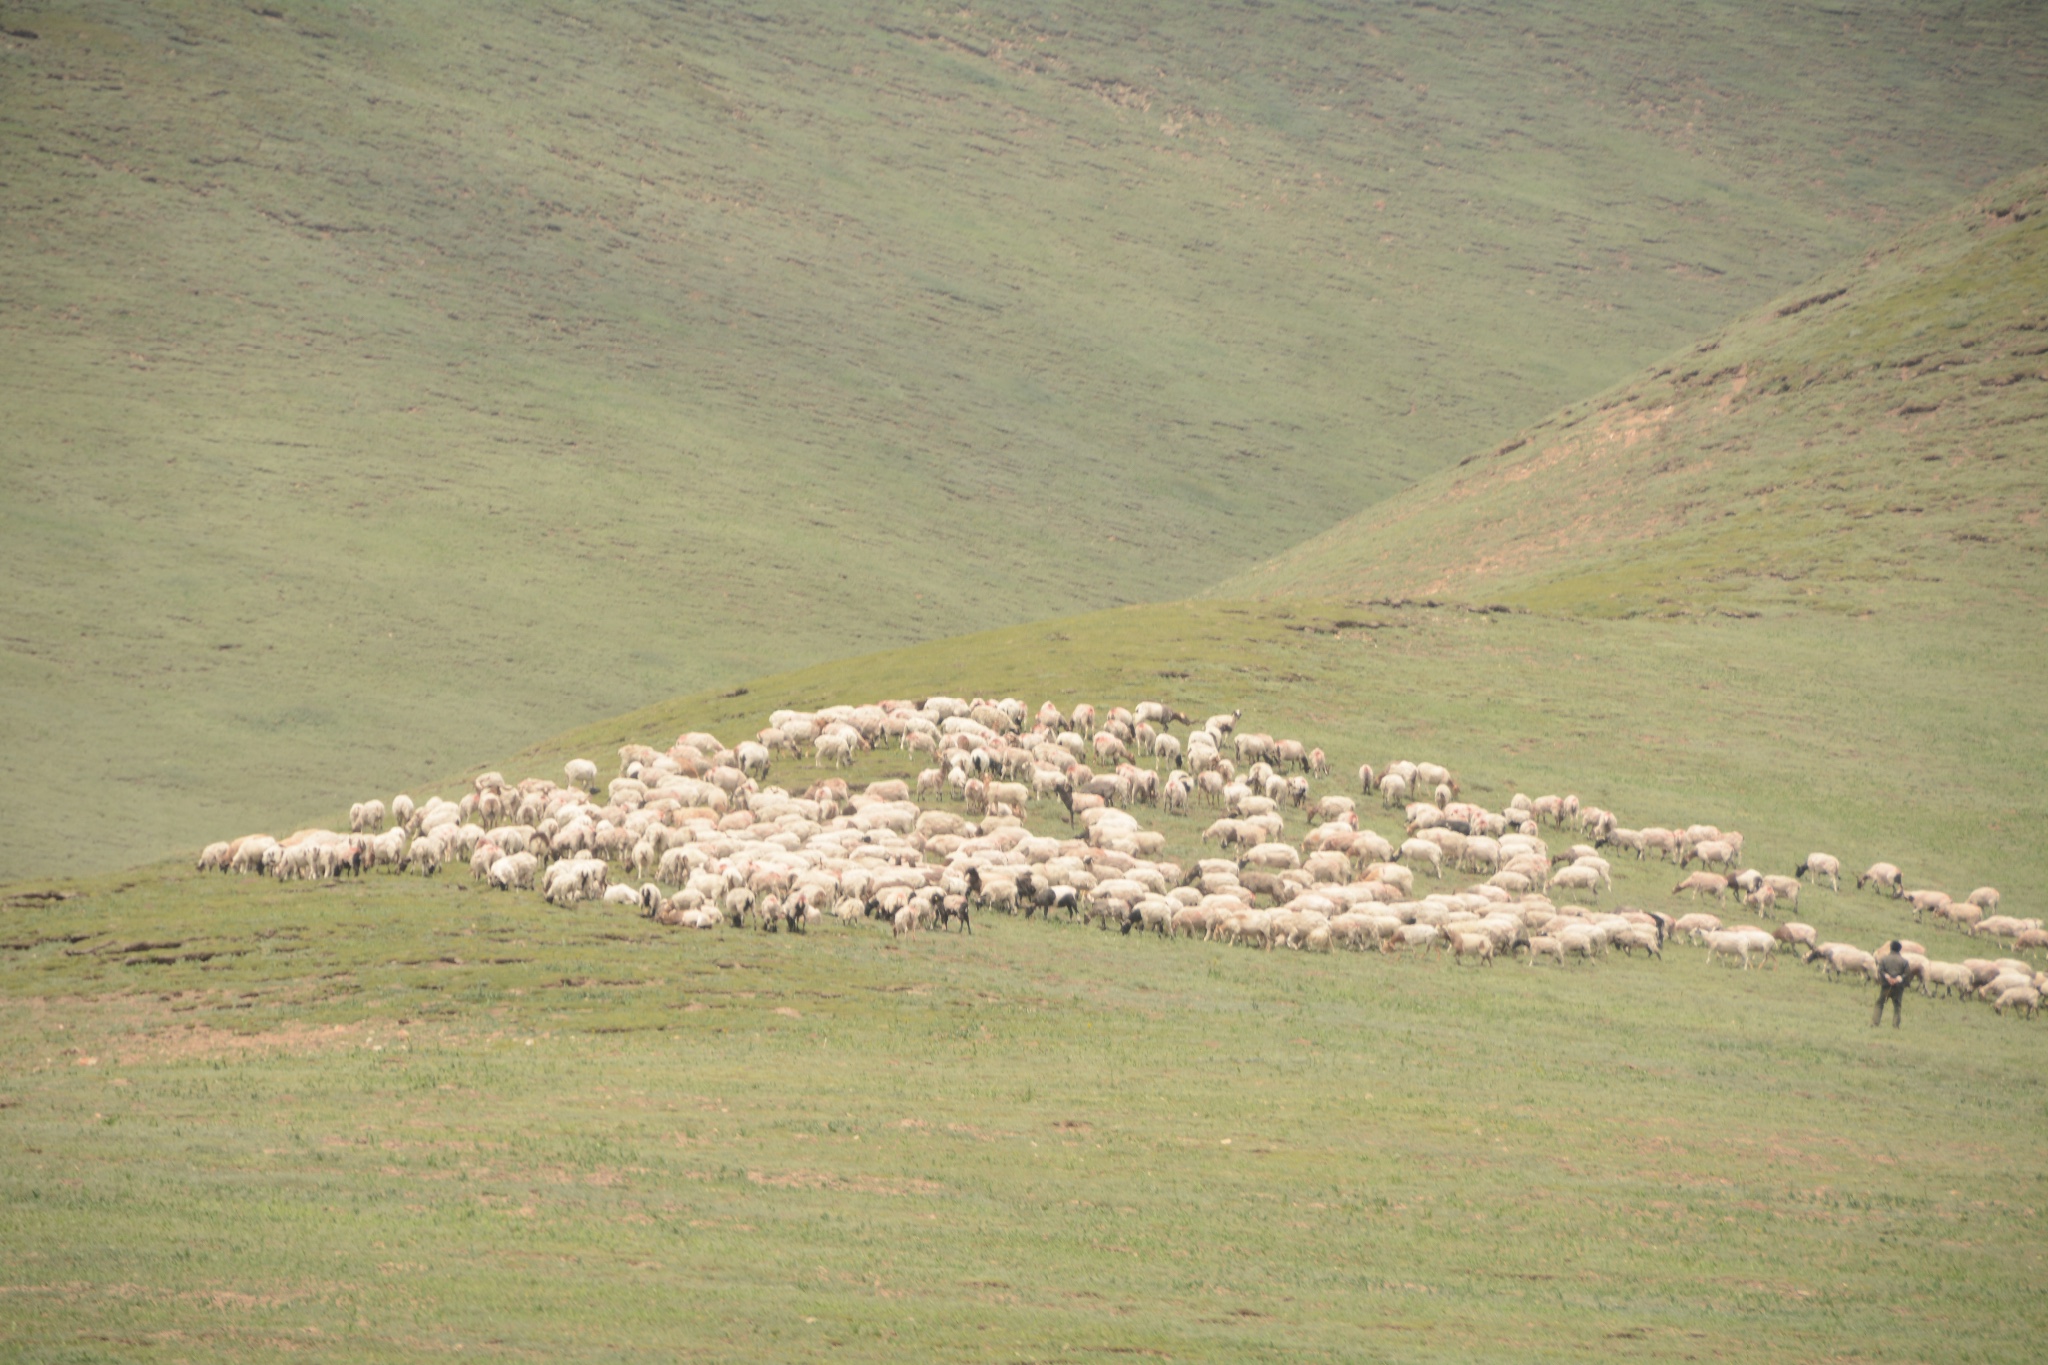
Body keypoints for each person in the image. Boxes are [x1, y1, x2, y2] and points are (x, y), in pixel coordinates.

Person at [1873, 940, 1910, 1028]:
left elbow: (1880, 970)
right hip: (1898, 987)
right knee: (1897, 1006)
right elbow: (1907, 973)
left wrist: (1887, 977)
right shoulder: (1904, 961)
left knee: (1880, 1003)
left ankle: (1875, 1022)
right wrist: (1898, 979)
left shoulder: (1884, 959)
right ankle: (1895, 1025)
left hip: (1886, 986)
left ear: (1890, 948)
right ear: (1900, 949)